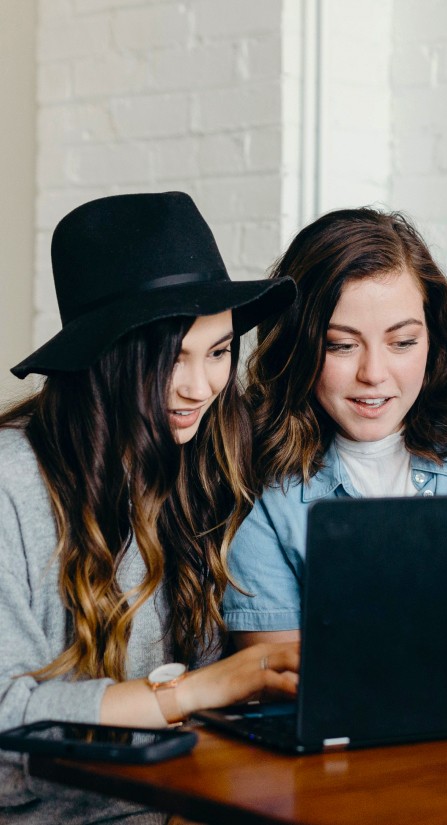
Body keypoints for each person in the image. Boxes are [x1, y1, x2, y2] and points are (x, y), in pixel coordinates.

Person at [0, 191, 298, 823]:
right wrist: (193, 690)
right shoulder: (11, 482)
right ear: (105, 357)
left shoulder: (206, 463)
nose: (199, 388)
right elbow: (4, 720)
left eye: (218, 352)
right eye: (170, 359)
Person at [222, 206, 447, 647]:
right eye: (341, 345)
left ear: (432, 335)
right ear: (297, 346)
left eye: (402, 342)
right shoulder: (254, 466)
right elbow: (275, 679)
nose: (373, 373)